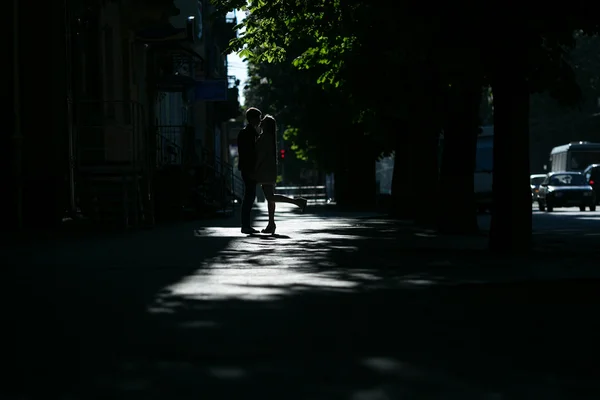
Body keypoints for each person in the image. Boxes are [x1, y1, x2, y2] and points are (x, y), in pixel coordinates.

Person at [254, 114, 307, 234]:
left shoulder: (265, 137)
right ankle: (271, 224)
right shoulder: (269, 136)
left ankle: (298, 202)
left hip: (265, 170)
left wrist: (255, 168)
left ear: (267, 125)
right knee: (270, 197)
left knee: (270, 197)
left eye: (264, 121)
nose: (261, 121)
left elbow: (261, 155)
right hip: (269, 169)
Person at [237, 107, 262, 234]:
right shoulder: (249, 133)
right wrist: (253, 168)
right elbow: (250, 153)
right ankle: (245, 225)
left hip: (247, 168)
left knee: (250, 196)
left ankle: (246, 225)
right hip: (249, 168)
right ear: (252, 118)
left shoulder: (248, 132)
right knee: (249, 196)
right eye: (258, 118)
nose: (260, 120)